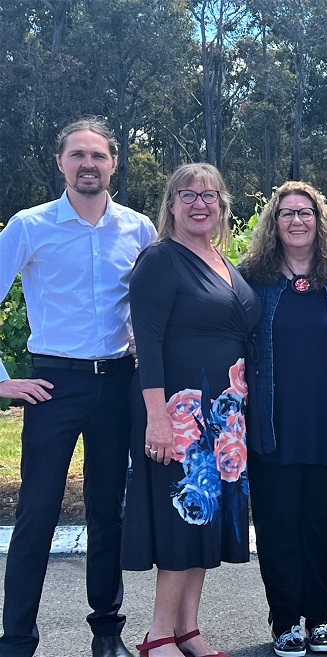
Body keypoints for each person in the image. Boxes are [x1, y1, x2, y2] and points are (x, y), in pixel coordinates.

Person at [0, 117, 156, 657]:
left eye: (98, 155)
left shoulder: (138, 229)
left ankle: (107, 630)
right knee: (37, 512)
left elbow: (152, 302)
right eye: (77, 155)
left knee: (107, 509)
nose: (88, 164)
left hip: (116, 385)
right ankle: (17, 638)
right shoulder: (29, 225)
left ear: (113, 163)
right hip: (53, 385)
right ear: (61, 162)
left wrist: (142, 339)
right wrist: (3, 382)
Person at [121, 163, 261, 657]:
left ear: (222, 204)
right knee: (181, 517)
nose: (200, 204)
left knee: (205, 517)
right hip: (179, 411)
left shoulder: (221, 258)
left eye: (210, 195)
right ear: (171, 203)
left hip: (224, 414)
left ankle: (188, 630)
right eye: (188, 194)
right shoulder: (160, 259)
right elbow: (150, 342)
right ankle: (158, 633)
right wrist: (157, 417)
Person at [240, 181, 327, 657]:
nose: (296, 221)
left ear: (319, 218)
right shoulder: (253, 277)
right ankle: (286, 621)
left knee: (322, 524)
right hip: (272, 421)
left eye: (305, 212)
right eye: (286, 213)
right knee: (278, 525)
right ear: (273, 221)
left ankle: (320, 618)